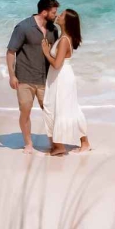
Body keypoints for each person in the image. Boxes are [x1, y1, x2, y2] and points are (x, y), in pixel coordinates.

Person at [6, 0, 60, 155]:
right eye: (53, 12)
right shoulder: (23, 27)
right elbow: (11, 52)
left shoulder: (53, 30)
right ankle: (28, 144)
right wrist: (12, 75)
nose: (56, 15)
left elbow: (56, 53)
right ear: (44, 12)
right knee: (25, 111)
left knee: (50, 113)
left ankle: (54, 143)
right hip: (25, 78)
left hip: (46, 79)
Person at [41, 9, 90, 156]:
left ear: (67, 22)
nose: (58, 16)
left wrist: (46, 52)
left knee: (59, 108)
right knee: (61, 108)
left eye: (61, 15)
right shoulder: (63, 38)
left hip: (62, 77)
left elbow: (57, 64)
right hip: (59, 76)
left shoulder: (64, 40)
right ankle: (78, 143)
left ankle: (62, 145)